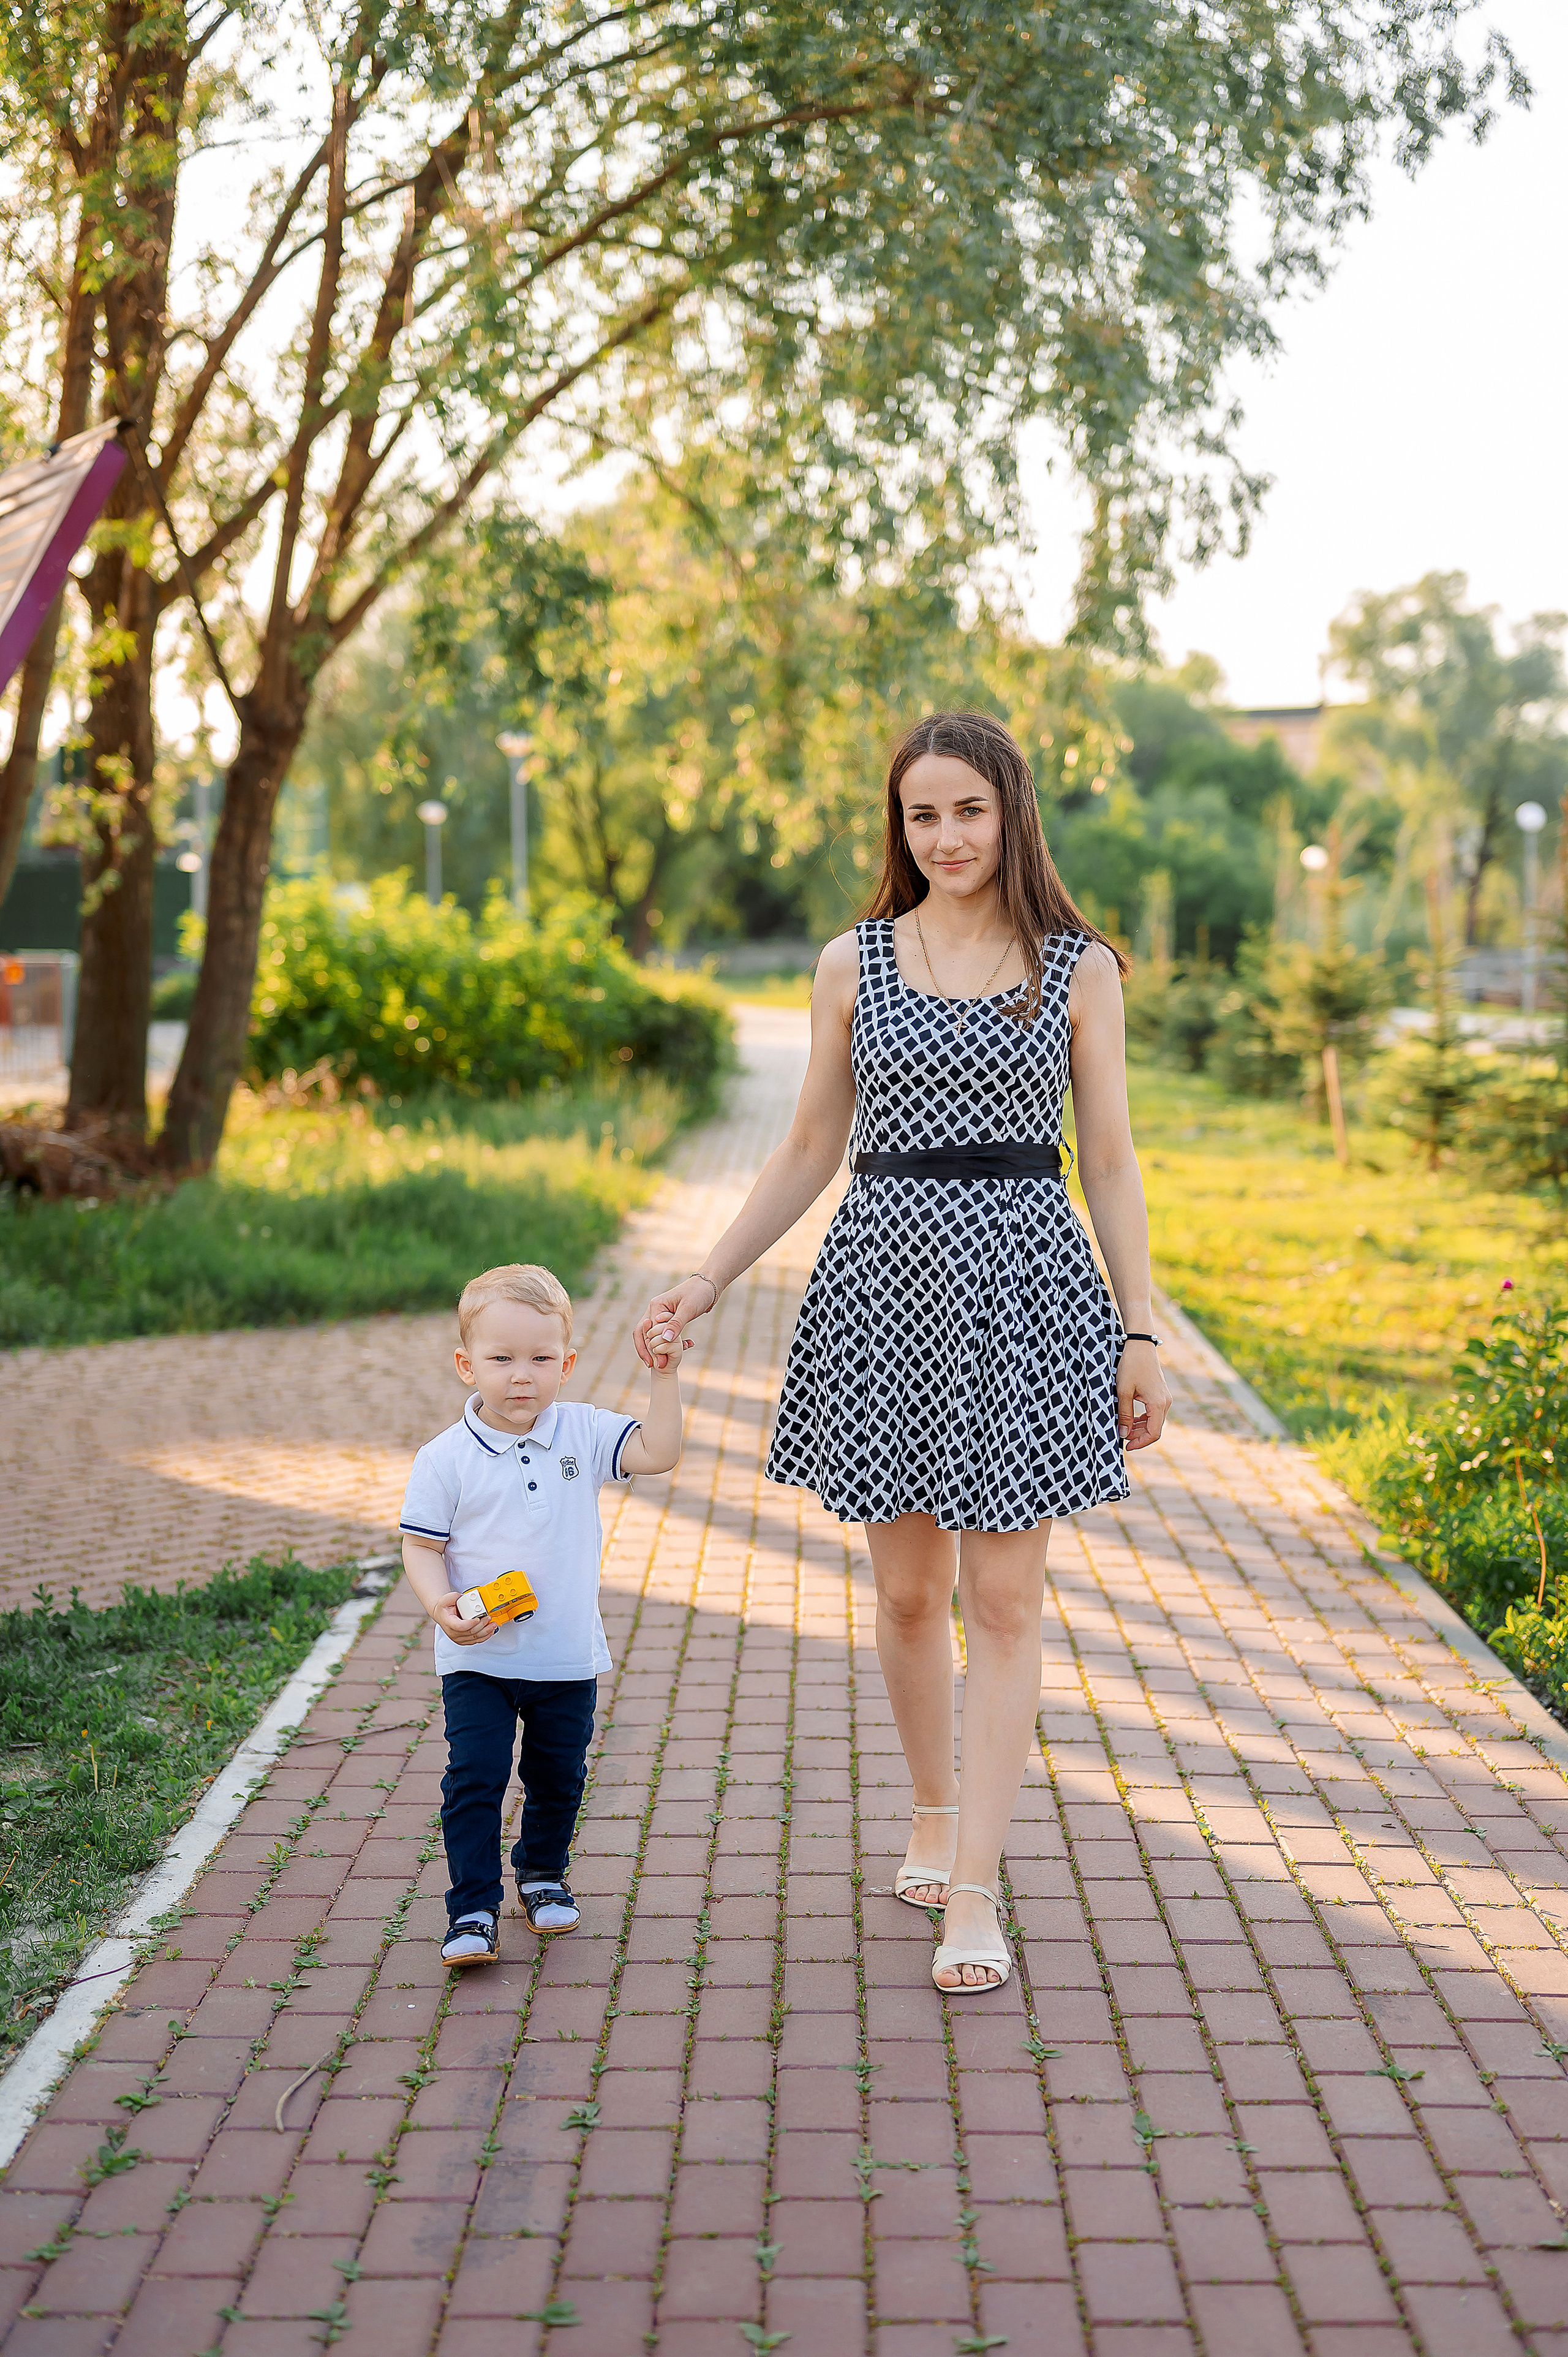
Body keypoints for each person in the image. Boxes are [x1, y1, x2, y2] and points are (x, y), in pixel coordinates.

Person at [635, 710, 1170, 1994]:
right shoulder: (851, 961)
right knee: (909, 1598)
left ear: (1011, 812)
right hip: (882, 1285)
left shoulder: (1075, 966)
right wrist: (706, 1278)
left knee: (1002, 1602)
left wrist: (1138, 1328)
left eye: (967, 812)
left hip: (1028, 1290)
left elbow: (1106, 1159)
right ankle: (931, 1807)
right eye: (921, 816)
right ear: (900, 825)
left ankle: (973, 1886)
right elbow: (808, 1147)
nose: (945, 838)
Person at [402, 1262, 685, 1965]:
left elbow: (660, 1450)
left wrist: (665, 1375)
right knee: (476, 1775)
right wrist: (440, 1606)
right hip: (480, 1656)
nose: (520, 1375)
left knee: (559, 1775)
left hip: (564, 1655)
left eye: (540, 1358)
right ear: (468, 1365)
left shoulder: (583, 1433)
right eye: (501, 1359)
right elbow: (421, 1545)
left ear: (568, 1362)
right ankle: (471, 1906)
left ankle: (542, 1872)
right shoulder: (443, 1459)